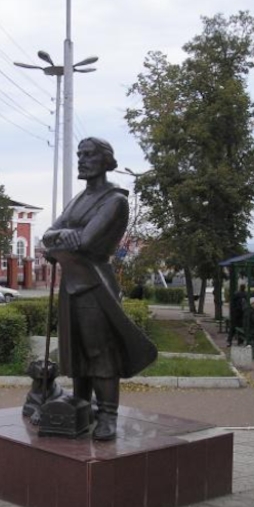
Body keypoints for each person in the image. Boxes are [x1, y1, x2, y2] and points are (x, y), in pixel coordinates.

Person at [42, 137, 158, 441]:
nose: (81, 160)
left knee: (99, 351)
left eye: (89, 155)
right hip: (71, 283)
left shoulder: (114, 200)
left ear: (105, 161)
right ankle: (82, 406)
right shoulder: (78, 199)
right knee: (76, 351)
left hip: (95, 284)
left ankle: (107, 414)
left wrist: (61, 238)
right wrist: (60, 237)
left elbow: (87, 242)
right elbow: (47, 236)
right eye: (79, 154)